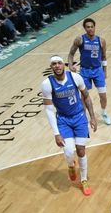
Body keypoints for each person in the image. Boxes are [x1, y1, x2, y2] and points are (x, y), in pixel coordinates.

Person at [41, 55, 97, 196]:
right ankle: (71, 165)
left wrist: (92, 116)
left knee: (81, 150)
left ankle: (84, 180)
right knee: (68, 151)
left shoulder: (75, 77)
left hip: (79, 118)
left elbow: (86, 96)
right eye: (54, 64)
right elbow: (48, 109)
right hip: (63, 120)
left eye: (59, 63)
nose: (57, 66)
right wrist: (56, 133)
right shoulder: (47, 84)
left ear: (64, 65)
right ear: (51, 67)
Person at [68, 17, 111, 125]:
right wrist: (70, 64)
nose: (90, 29)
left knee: (103, 96)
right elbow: (71, 54)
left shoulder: (101, 41)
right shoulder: (80, 39)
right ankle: (83, 116)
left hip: (97, 71)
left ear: (95, 27)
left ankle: (104, 113)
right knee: (83, 96)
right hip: (85, 71)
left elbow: (104, 57)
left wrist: (105, 71)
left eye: (92, 27)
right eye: (88, 27)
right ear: (84, 28)